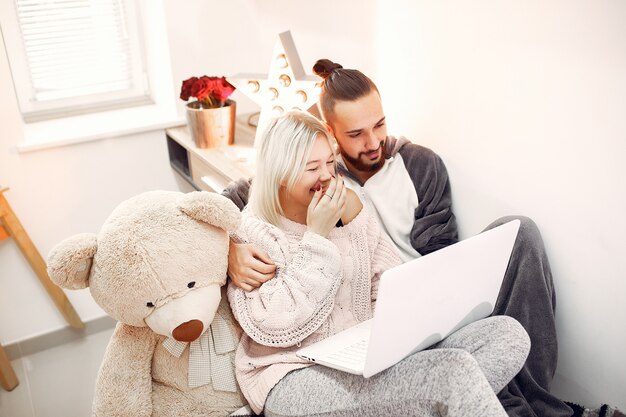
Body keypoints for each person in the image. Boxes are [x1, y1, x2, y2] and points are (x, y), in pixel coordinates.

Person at [223, 59, 574, 417]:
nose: (328, 176)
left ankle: (441, 398)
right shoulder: (264, 223)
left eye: (328, 164)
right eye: (355, 134)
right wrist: (229, 247)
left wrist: (359, 225)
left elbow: (393, 275)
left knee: (508, 335)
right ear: (333, 133)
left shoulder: (397, 175)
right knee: (453, 373)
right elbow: (272, 319)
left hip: (373, 348)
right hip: (293, 373)